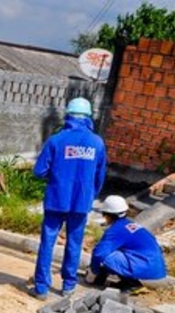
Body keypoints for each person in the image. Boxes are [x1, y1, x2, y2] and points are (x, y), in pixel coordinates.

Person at [30, 97, 107, 300]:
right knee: (74, 243)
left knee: (48, 242)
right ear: (89, 117)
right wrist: (90, 195)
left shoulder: (56, 140)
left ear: (68, 116)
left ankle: (41, 288)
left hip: (56, 199)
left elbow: (39, 171)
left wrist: (56, 173)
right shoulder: (97, 143)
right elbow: (99, 177)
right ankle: (68, 286)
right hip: (81, 203)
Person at [86, 195, 167, 292]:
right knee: (115, 251)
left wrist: (93, 272)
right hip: (155, 267)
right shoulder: (131, 224)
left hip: (145, 267)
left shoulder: (116, 230)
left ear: (107, 215)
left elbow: (99, 253)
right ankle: (127, 282)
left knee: (105, 256)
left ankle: (132, 284)